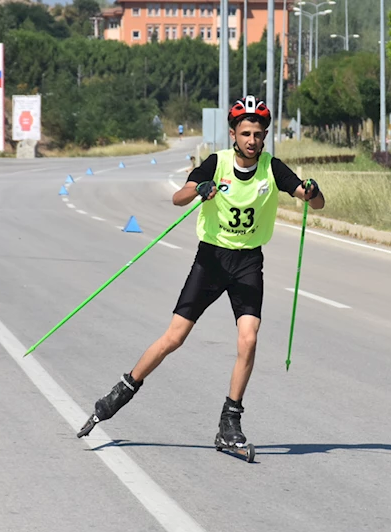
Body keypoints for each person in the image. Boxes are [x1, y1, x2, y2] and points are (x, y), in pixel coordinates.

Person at [77, 96, 325, 448]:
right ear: (233, 134)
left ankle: (230, 420)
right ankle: (119, 394)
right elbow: (179, 197)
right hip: (211, 261)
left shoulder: (272, 167)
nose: (252, 140)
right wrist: (200, 189)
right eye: (246, 133)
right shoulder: (217, 162)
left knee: (249, 339)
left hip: (248, 262)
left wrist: (313, 193)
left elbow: (312, 200)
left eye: (259, 133)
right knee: (174, 338)